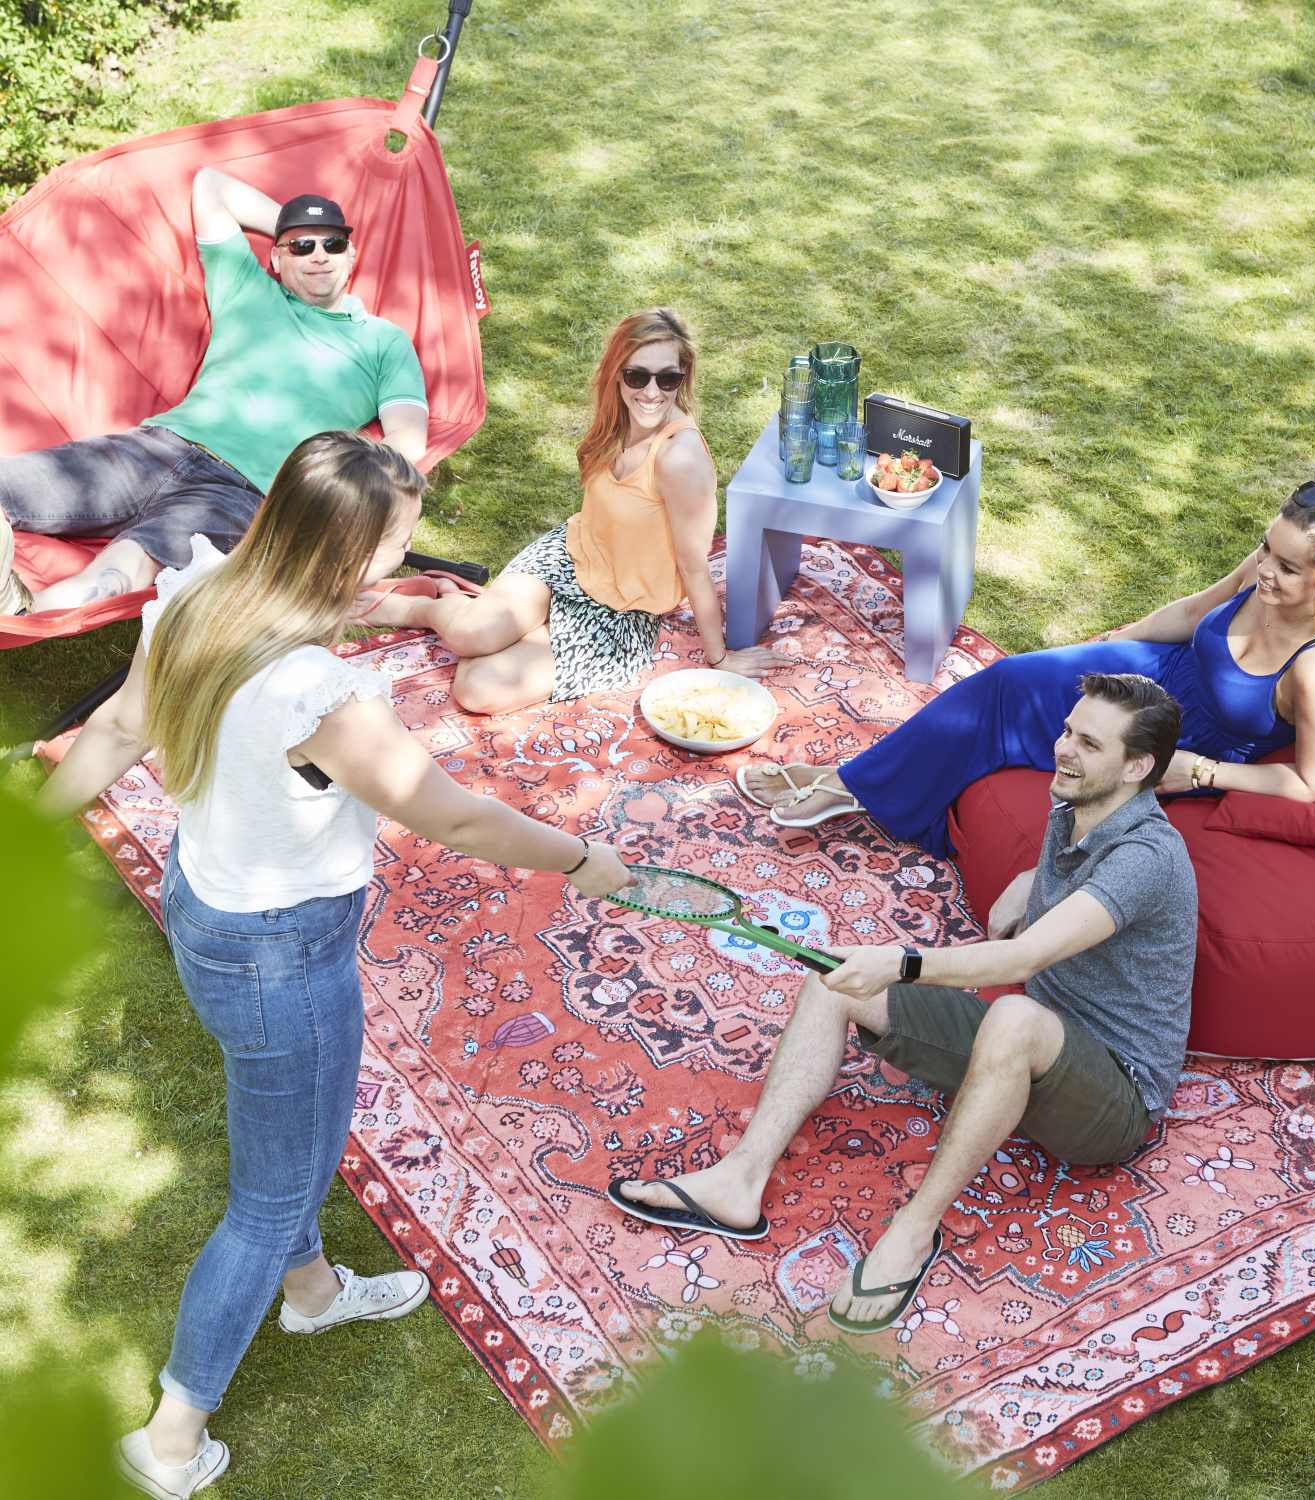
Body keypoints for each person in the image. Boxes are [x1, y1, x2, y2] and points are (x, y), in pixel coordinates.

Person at [38, 432, 630, 1499]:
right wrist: (583, 856)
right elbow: (451, 813)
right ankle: (172, 1436)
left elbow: (120, 726)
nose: (402, 563)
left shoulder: (198, 592)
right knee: (268, 1196)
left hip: (208, 906)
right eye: (396, 545)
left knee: (289, 1130)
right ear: (348, 548)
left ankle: (310, 1291)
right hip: (280, 952)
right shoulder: (314, 692)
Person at [611, 673, 1197, 1334]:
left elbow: (1022, 959)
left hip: (1112, 1100)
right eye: (1067, 731)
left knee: (1009, 1014)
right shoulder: (1077, 803)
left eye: (1089, 743)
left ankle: (914, 1234)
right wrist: (1032, 876)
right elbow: (1085, 869)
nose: (1064, 749)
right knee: (835, 976)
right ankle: (738, 1183)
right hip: (1033, 1047)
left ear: (1137, 767)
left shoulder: (1147, 858)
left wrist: (904, 962)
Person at [737, 483, 1315, 853]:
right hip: (1154, 670)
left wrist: (1203, 772)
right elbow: (1198, 608)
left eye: (1286, 567)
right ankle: (849, 782)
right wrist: (1112, 641)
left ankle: (845, 788)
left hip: (1176, 744)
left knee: (1037, 730)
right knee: (1009, 679)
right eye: (1266, 549)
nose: (1264, 569)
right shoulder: (1260, 575)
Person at [0, 170, 429, 616]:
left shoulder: (384, 341)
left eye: (332, 244)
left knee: (131, 565)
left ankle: (18, 616)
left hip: (242, 490)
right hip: (157, 447)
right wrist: (291, 223)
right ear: (277, 260)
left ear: (351, 254)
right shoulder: (247, 287)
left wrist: (335, 492)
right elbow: (211, 185)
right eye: (302, 246)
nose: (319, 255)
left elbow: (407, 442)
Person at [353, 307, 776, 711]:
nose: (651, 392)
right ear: (616, 374)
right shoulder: (618, 420)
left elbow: (695, 566)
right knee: (468, 634)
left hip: (622, 610)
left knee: (478, 689)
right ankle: (427, 606)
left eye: (667, 379)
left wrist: (720, 658)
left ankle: (482, 611)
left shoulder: (680, 458)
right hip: (569, 557)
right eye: (636, 375)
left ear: (681, 379)